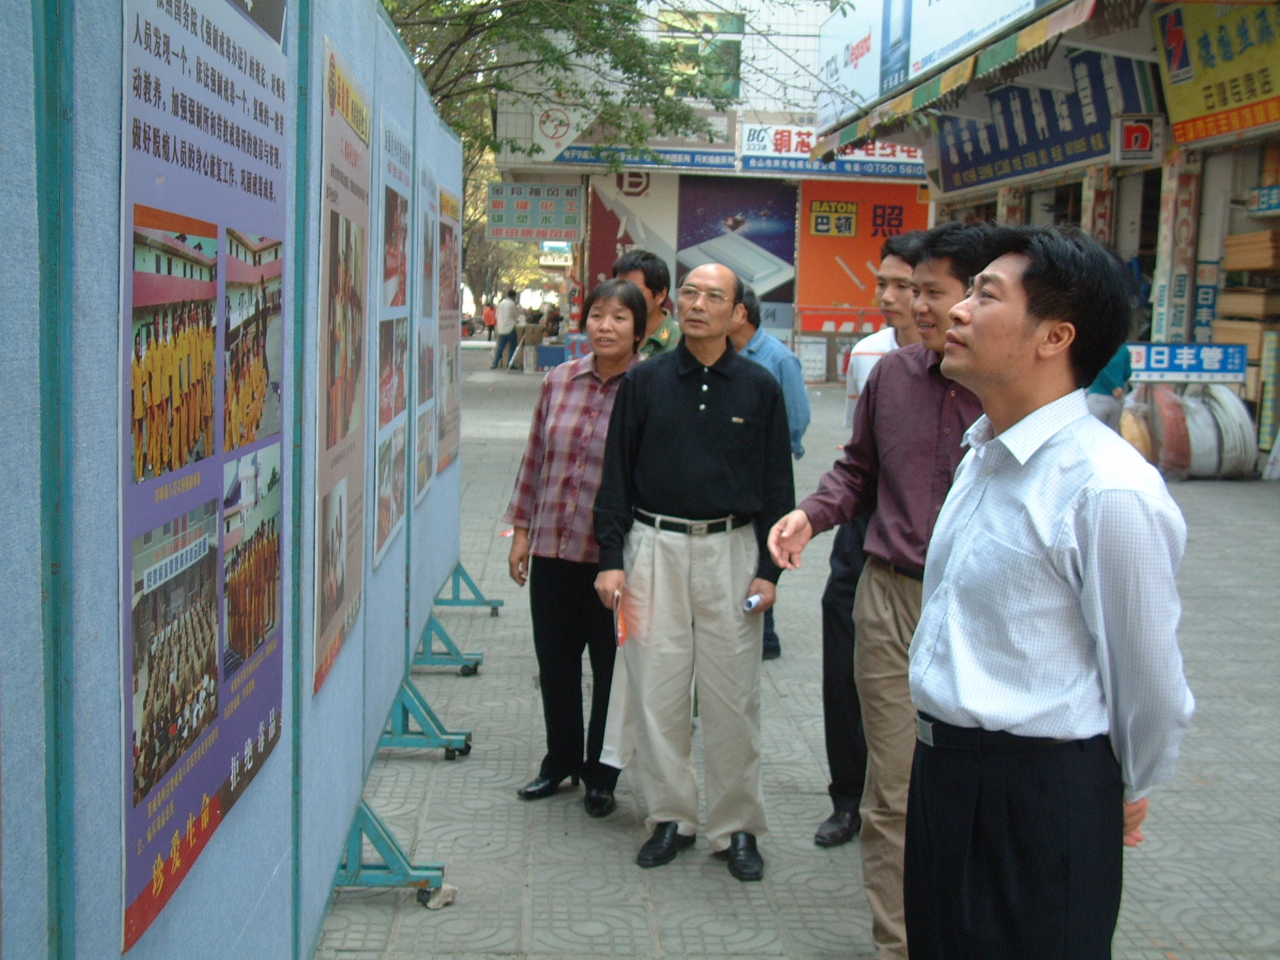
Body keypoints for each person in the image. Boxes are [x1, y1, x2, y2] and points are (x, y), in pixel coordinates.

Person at [904, 225, 1195, 959]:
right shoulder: (985, 454)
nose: (957, 311)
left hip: (1038, 799)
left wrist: (1125, 787)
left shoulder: (1107, 489)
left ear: (1054, 337)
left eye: (986, 295)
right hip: (943, 778)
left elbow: (1150, 682)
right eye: (967, 291)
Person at [768, 221, 990, 960]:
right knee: (890, 791)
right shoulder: (891, 377)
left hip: (981, 609)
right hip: (890, 595)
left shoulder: (1007, 390)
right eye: (909, 291)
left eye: (934, 293)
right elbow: (857, 469)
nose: (916, 307)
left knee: (975, 791)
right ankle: (897, 945)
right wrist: (810, 513)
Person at [593, 262, 795, 882]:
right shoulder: (646, 381)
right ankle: (670, 818)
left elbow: (776, 487)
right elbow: (616, 476)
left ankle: (736, 828)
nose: (698, 304)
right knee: (656, 690)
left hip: (730, 552)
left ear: (739, 313)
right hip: (653, 549)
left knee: (735, 696)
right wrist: (610, 561)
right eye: (690, 293)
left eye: (715, 296)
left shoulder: (759, 388)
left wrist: (769, 572)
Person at [503, 279, 647, 817]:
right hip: (552, 549)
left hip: (614, 561)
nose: (605, 327)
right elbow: (535, 457)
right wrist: (521, 531)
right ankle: (559, 760)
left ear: (640, 330)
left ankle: (601, 773)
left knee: (611, 669)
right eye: (597, 316)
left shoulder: (648, 386)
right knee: (556, 664)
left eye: (619, 318)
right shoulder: (559, 380)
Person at [814, 231, 924, 848]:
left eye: (903, 286)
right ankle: (846, 797)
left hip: (921, 533)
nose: (887, 297)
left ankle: (905, 798)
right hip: (863, 522)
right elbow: (858, 452)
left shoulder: (966, 360)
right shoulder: (870, 355)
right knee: (844, 658)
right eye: (881, 283)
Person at [729, 284, 810, 661]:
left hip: (766, 471)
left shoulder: (778, 358)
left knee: (766, 545)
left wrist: (777, 452)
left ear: (740, 313)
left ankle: (767, 636)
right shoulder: (726, 356)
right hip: (733, 471)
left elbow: (798, 416)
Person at [612, 249, 681, 358]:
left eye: (634, 291)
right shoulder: (610, 333)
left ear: (660, 295)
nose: (623, 297)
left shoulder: (685, 339)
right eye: (618, 289)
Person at [1087, 342, 1132, 431]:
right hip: (1117, 400)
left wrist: (1112, 386)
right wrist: (1118, 385)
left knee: (1092, 434)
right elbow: (1128, 372)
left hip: (1098, 397)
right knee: (1110, 436)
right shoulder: (1123, 349)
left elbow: (1098, 370)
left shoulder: (1097, 348)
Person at [492, 288, 520, 369]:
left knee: (501, 347)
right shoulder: (512, 304)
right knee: (513, 346)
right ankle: (510, 363)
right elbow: (516, 315)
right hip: (510, 328)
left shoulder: (500, 304)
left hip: (501, 329)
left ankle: (495, 363)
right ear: (513, 296)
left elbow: (497, 315)